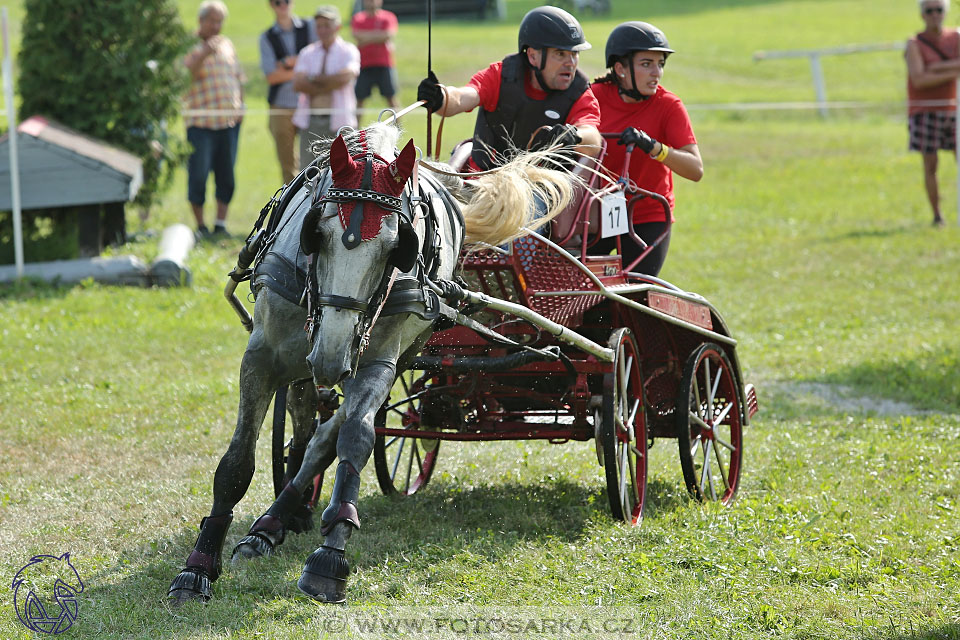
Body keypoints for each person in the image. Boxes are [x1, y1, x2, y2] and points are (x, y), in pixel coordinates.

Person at [416, 5, 602, 173]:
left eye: (574, 54)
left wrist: (573, 135)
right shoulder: (501, 75)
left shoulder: (579, 92)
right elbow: (461, 98)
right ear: (533, 56)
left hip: (540, 193)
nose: (570, 63)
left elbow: (593, 140)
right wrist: (440, 96)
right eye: (560, 54)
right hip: (479, 181)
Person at [590, 21, 702, 276]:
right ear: (620, 68)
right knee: (580, 293)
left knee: (634, 296)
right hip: (598, 212)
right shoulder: (593, 97)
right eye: (646, 64)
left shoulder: (669, 106)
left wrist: (654, 147)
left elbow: (696, 169)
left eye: (660, 64)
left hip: (647, 214)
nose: (657, 72)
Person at [183, 1, 245, 238]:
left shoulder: (227, 44)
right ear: (201, 21)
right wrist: (204, 52)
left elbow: (238, 76)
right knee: (198, 175)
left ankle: (220, 224)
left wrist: (242, 105)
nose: (217, 26)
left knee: (226, 175)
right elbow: (189, 75)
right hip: (200, 125)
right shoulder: (189, 45)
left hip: (228, 125)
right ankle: (200, 227)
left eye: (220, 21)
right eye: (212, 21)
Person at [906, 0, 960, 226]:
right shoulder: (915, 43)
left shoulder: (955, 38)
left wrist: (936, 68)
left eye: (939, 10)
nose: (935, 15)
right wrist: (953, 70)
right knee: (930, 165)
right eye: (930, 10)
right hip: (925, 110)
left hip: (953, 109)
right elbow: (919, 79)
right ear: (922, 15)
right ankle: (937, 215)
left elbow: (928, 73)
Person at [293, 6, 360, 169]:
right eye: (319, 26)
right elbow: (298, 83)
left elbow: (345, 77)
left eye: (327, 25)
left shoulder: (348, 50)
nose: (322, 30)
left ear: (337, 27)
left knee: (345, 172)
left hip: (341, 121)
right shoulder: (307, 52)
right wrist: (331, 83)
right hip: (312, 121)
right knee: (309, 173)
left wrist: (314, 79)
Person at [260, 0, 316, 184]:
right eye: (278, 2)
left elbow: (317, 64)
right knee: (287, 166)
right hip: (280, 106)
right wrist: (301, 66)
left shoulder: (310, 27)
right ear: (271, 5)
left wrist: (285, 63)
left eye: (286, 1)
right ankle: (292, 209)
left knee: (315, 162)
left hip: (310, 104)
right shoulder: (266, 37)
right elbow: (271, 77)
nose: (283, 5)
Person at [351, 0, 399, 114]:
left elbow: (388, 35)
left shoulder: (388, 17)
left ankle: (398, 127)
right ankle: (356, 129)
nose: (371, 3)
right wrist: (378, 36)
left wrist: (366, 38)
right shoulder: (358, 18)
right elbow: (357, 36)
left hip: (384, 64)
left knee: (391, 98)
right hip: (364, 65)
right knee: (359, 100)